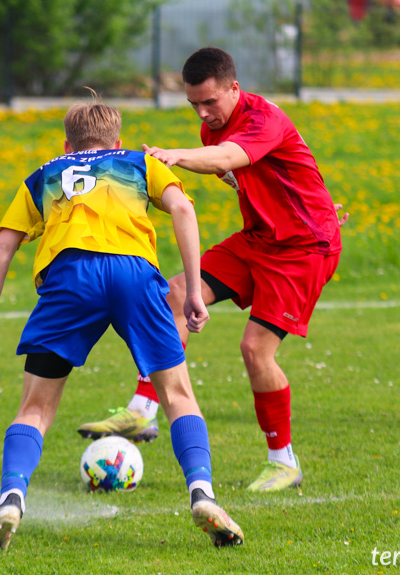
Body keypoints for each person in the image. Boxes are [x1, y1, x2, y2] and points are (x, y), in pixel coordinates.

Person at [0, 95, 244, 550]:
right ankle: (202, 493)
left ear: (67, 144)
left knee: (35, 408)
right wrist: (194, 290)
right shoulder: (139, 161)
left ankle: (11, 500)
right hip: (134, 274)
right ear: (116, 140)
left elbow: (1, 253)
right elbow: (182, 209)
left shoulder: (45, 174)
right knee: (177, 395)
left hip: (69, 277)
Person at [78, 47, 347, 492]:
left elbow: (226, 159)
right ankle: (143, 412)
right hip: (260, 237)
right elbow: (243, 170)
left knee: (255, 351)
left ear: (234, 88)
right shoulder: (212, 129)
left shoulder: (263, 119)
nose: (204, 113)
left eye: (210, 102)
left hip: (303, 247)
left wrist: (171, 156)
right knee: (173, 295)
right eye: (194, 105)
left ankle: (284, 461)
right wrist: (314, 201)